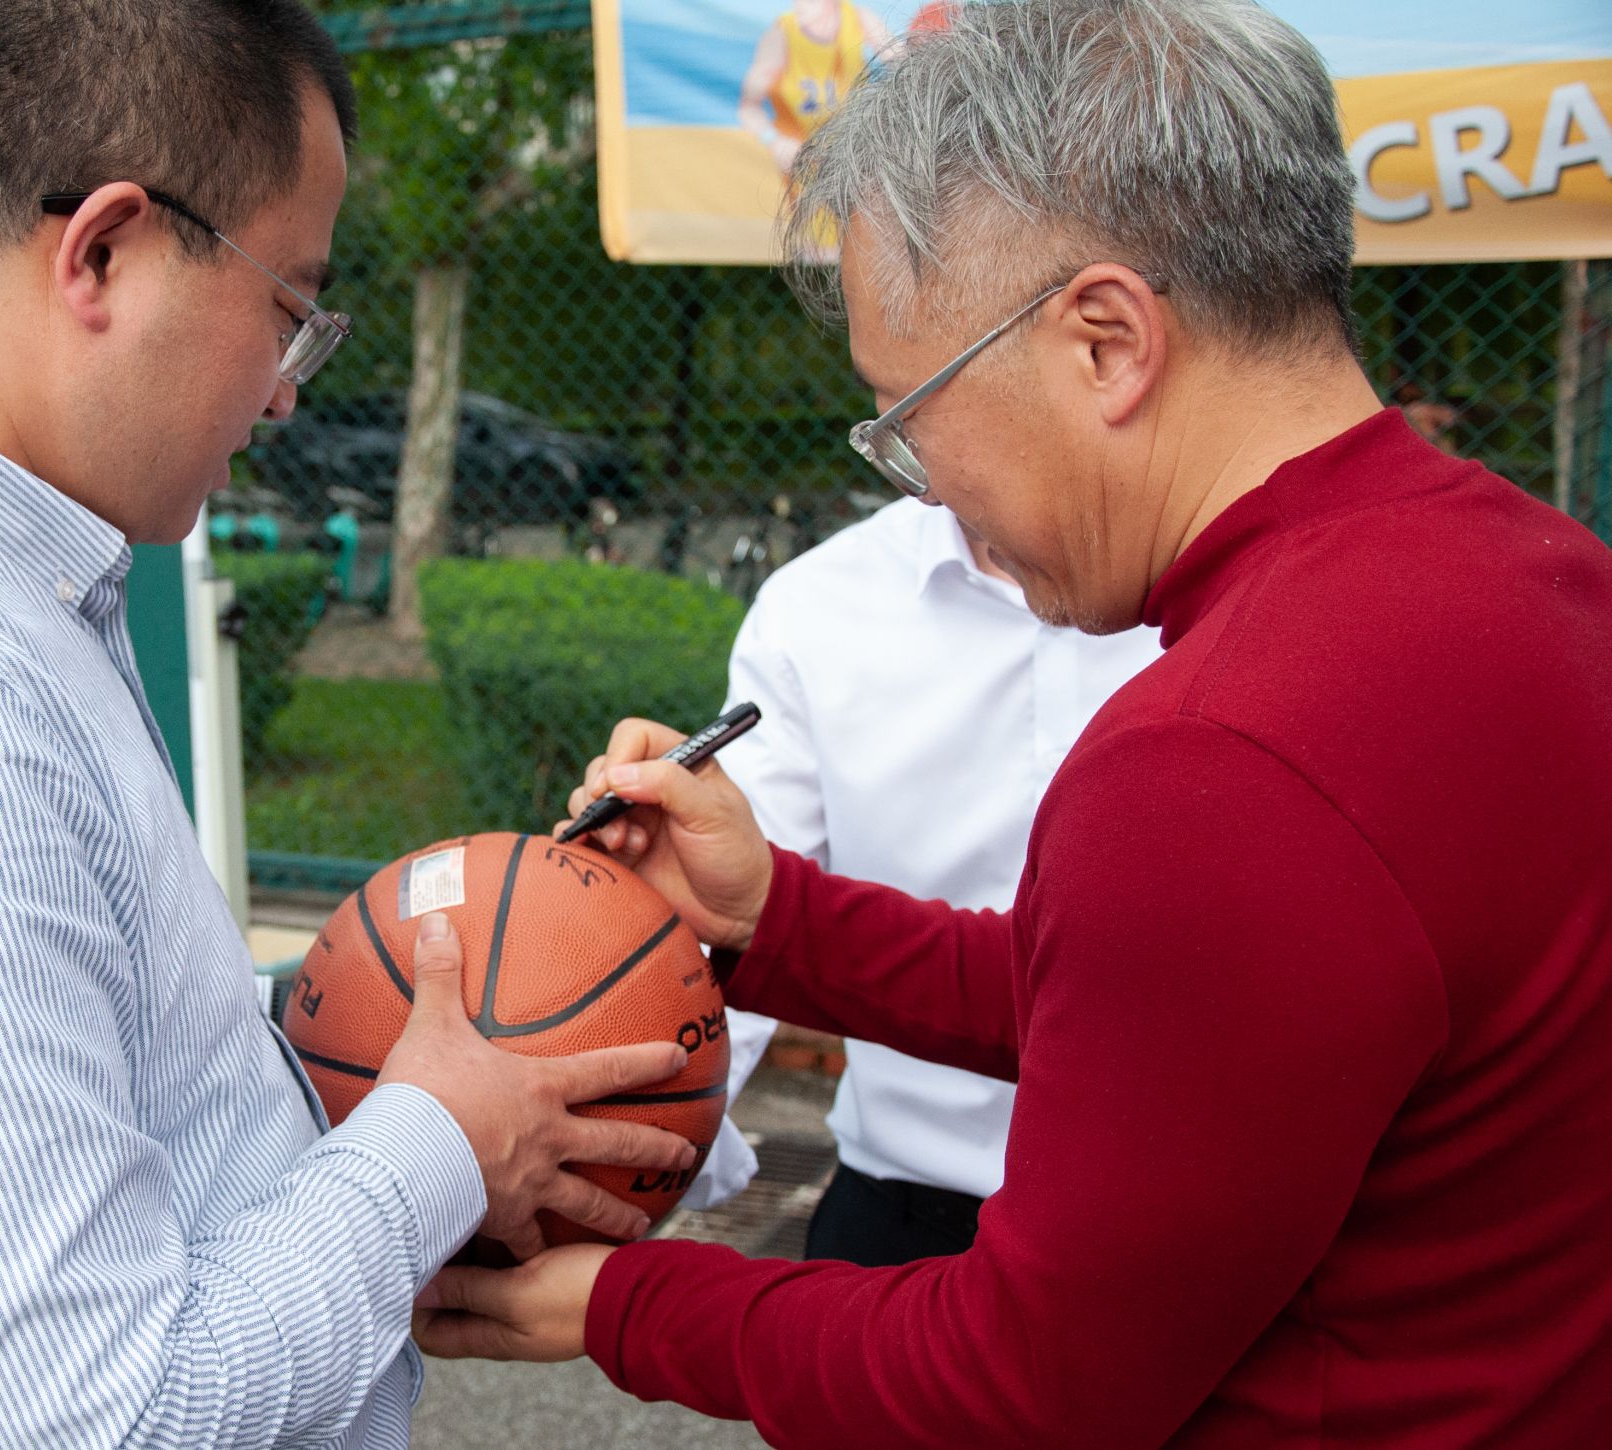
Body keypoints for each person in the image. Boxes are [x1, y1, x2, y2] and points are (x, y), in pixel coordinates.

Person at [413, 2, 1612, 1444]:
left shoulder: (1219, 757)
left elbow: (1027, 1383)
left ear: (1106, 340)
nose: (920, 488)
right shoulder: (1543, 575)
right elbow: (1168, 1027)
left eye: (908, 411)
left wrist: (619, 1306)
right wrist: (775, 914)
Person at [0, 3, 696, 1446]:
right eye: (288, 308)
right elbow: (89, 1415)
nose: (288, 393)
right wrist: (432, 1147)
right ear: (104, 249)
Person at [685, 500, 1159, 1263]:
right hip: (903, 1206)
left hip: (1189, 1211)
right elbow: (721, 922)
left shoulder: (1242, 595)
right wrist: (633, 1144)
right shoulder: (820, 605)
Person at [739, 1, 894, 175]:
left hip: (850, 155)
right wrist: (775, 141)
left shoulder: (858, 18)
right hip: (800, 159)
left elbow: (903, 63)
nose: (802, 5)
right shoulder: (781, 34)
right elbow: (748, 109)